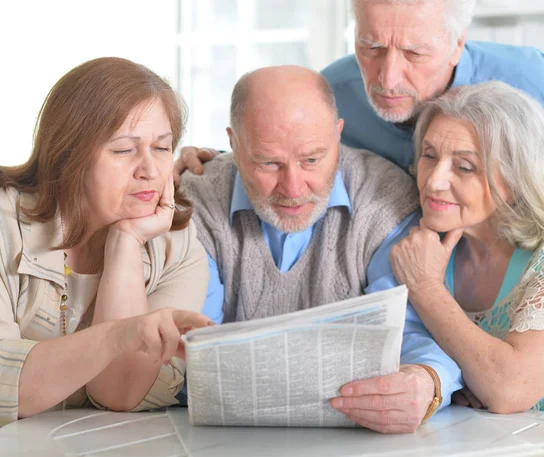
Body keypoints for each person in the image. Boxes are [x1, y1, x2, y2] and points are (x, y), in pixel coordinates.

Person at [180, 65, 463, 434]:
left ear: (338, 134)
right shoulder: (195, 200)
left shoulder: (386, 199)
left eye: (312, 159)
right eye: (269, 162)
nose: (293, 188)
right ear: (233, 143)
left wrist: (427, 382)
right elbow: (195, 353)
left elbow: (410, 334)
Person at [174, 0, 544, 232]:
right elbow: (281, 153)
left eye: (414, 53)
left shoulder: (536, 84)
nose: (387, 77)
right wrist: (218, 163)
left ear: (456, 44)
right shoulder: (335, 91)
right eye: (371, 47)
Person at [0, 57, 212, 427]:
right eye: (123, 150)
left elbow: (120, 393)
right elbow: (8, 388)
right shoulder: (6, 224)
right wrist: (117, 336)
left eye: (162, 148)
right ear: (70, 155)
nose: (149, 169)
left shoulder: (178, 245)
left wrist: (126, 243)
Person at [389, 81, 544, 417]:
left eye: (464, 166)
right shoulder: (427, 248)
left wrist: (425, 288)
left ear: (517, 180)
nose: (433, 181)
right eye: (429, 156)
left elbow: (510, 389)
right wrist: (459, 380)